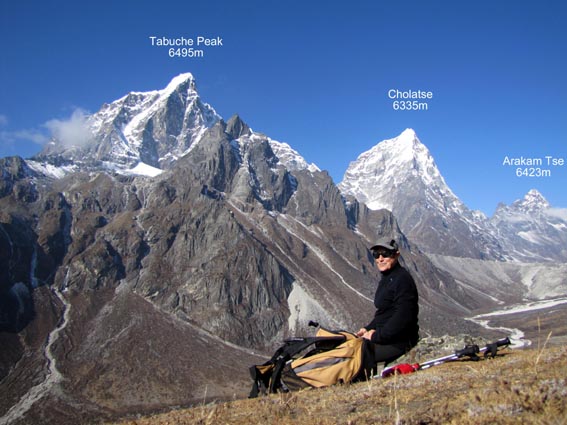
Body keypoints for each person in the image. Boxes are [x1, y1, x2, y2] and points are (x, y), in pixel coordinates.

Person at [355, 239, 419, 365]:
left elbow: (404, 316)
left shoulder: (402, 279)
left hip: (398, 342)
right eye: (376, 255)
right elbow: (384, 312)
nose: (380, 259)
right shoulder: (387, 277)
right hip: (386, 337)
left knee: (354, 354)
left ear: (396, 255)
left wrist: (376, 336)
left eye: (385, 254)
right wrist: (368, 328)